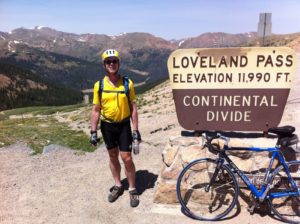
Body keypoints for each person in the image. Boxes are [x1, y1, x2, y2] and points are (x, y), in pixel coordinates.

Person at [90, 49, 141, 208]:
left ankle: (132, 188)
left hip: (124, 125)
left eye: (114, 61)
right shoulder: (99, 86)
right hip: (107, 126)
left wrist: (136, 130)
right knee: (112, 156)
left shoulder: (127, 83)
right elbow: (96, 109)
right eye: (108, 61)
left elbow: (133, 107)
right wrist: (93, 131)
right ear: (104, 65)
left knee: (127, 158)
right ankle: (118, 185)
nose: (111, 64)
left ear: (119, 63)